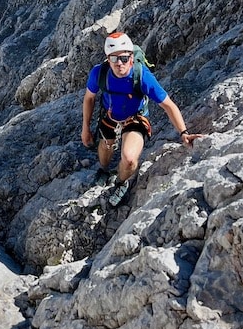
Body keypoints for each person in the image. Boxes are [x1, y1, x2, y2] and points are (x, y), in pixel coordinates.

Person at [81, 32, 201, 205]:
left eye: (123, 58)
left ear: (131, 58)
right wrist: (85, 127)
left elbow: (168, 105)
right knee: (105, 148)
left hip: (135, 118)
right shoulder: (99, 73)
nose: (119, 63)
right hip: (110, 115)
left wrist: (184, 133)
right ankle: (104, 170)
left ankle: (122, 182)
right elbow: (89, 98)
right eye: (114, 59)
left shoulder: (142, 76)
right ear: (108, 59)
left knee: (129, 159)